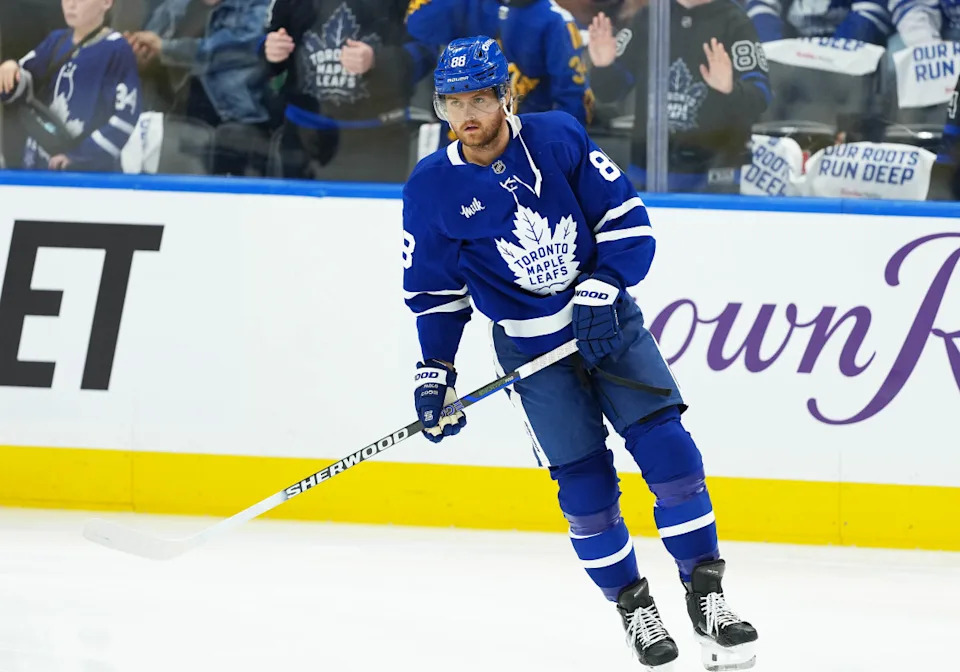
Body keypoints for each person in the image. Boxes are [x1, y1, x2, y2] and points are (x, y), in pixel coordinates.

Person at [402, 36, 759, 671]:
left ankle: (707, 596)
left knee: (671, 453)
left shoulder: (559, 137)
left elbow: (628, 223)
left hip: (608, 326)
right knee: (586, 490)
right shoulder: (430, 187)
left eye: (479, 99)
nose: (466, 117)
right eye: (452, 104)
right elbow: (435, 292)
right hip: (532, 357)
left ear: (506, 97)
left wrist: (603, 286)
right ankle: (633, 607)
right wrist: (437, 371)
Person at [588, 0, 772, 192]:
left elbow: (761, 95)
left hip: (715, 172)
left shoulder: (735, 21)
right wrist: (604, 67)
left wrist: (730, 90)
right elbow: (610, 92)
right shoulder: (648, 18)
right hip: (648, 170)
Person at [261, 0, 435, 181]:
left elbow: (426, 51)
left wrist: (379, 61)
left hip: (379, 140)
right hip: (304, 138)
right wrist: (271, 50)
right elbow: (268, 42)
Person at [126, 0, 275, 175]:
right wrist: (139, 55)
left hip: (234, 121)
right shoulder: (174, 5)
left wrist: (165, 49)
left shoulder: (257, 5)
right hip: (171, 120)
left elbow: (228, 50)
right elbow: (150, 46)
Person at [0, 0, 140, 172]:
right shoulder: (56, 40)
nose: (71, 4)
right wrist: (9, 70)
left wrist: (80, 156)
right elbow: (18, 87)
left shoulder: (117, 50)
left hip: (90, 175)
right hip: (40, 164)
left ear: (106, 2)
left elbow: (125, 117)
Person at [745, 0, 891, 44]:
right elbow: (760, 10)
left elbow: (870, 15)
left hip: (853, 58)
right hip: (792, 53)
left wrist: (831, 59)